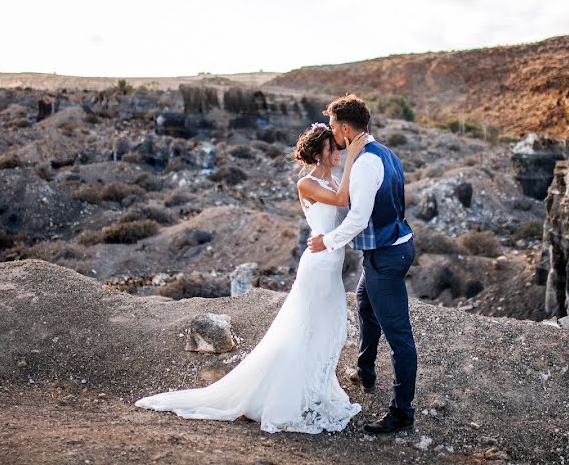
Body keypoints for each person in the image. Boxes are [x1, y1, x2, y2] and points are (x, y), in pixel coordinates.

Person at [134, 122, 368, 434]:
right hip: (317, 267)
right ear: (318, 153)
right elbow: (341, 201)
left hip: (331, 264)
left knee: (325, 331)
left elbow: (348, 203)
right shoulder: (306, 183)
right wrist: (354, 154)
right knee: (305, 330)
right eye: (333, 148)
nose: (338, 151)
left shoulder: (335, 180)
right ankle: (285, 398)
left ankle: (313, 390)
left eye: (339, 148)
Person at [307, 94, 417, 435]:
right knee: (365, 304)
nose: (331, 134)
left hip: (386, 255)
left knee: (399, 336)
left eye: (332, 127)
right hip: (388, 248)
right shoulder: (382, 151)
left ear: (343, 128)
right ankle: (365, 370)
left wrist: (327, 241)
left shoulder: (367, 163)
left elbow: (357, 218)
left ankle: (401, 412)